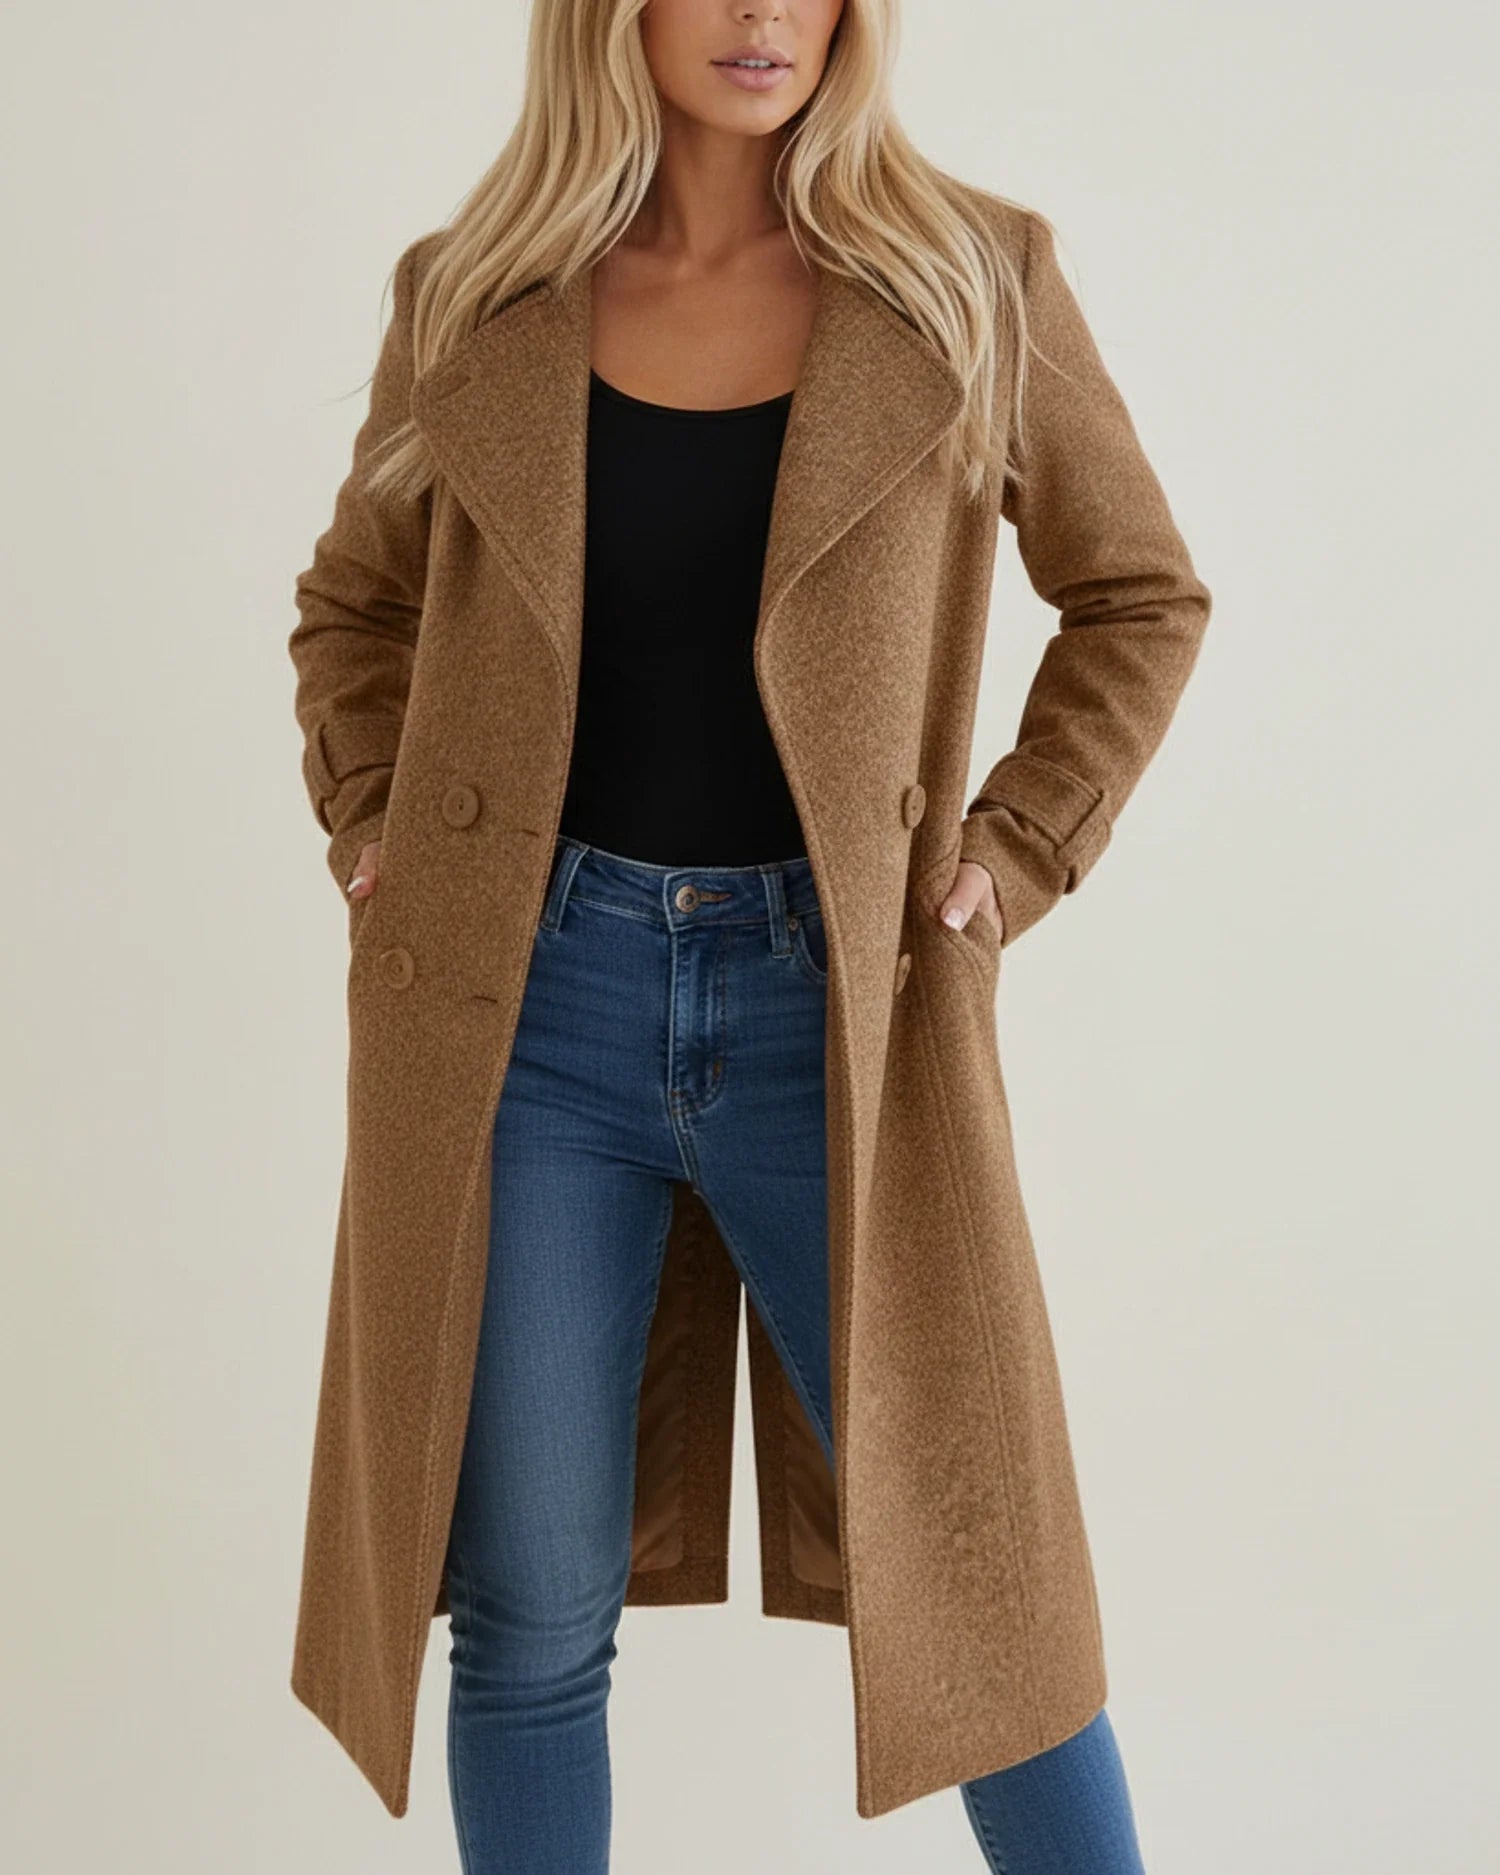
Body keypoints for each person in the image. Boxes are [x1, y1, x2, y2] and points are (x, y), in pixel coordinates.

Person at [289, 3, 1210, 1869]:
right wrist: (373, 820)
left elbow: (1140, 594)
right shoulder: (472, 293)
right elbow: (354, 608)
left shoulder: (973, 277)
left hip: (840, 1007)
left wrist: (1017, 850)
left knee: (984, 1600)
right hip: (531, 1011)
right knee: (528, 1611)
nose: (765, 12)